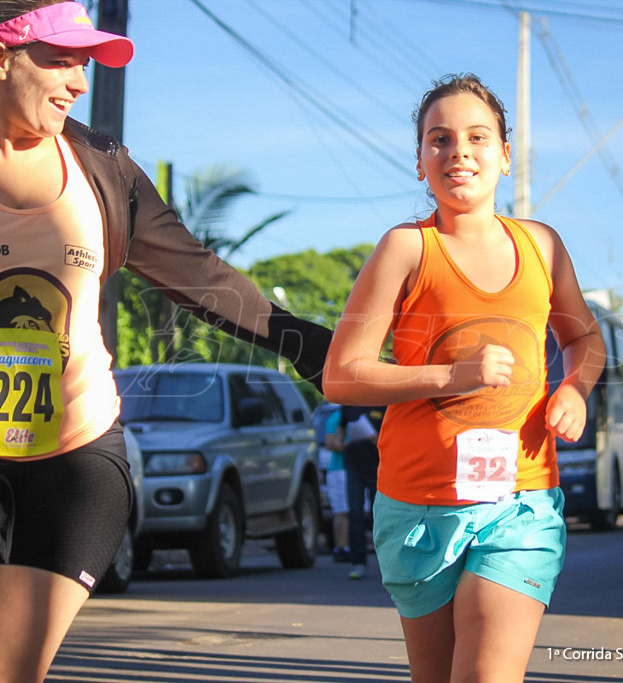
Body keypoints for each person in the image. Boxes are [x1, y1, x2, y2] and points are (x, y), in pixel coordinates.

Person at [0, 3, 331, 681]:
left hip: (73, 457)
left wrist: (313, 346)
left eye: (85, 63)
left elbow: (197, 273)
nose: (79, 81)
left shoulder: (99, 168)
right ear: (4, 56)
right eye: (60, 58)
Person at [323, 73, 605, 682]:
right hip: (417, 504)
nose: (459, 153)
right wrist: (453, 374)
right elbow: (342, 377)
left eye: (478, 137)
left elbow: (583, 338)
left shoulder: (542, 247)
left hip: (521, 500)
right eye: (439, 139)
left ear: (506, 156)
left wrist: (575, 389)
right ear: (420, 160)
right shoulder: (405, 248)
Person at [340, 403, 384, 580]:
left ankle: (385, 564)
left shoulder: (384, 402)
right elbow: (341, 428)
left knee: (379, 517)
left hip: (378, 467)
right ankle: (358, 562)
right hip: (354, 465)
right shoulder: (349, 403)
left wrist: (378, 438)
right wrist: (340, 441)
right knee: (355, 514)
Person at [322, 406, 350, 563]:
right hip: (339, 470)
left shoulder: (355, 415)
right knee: (341, 512)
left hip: (347, 470)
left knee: (345, 512)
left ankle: (343, 546)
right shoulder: (336, 417)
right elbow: (331, 443)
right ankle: (341, 547)